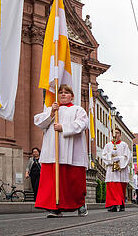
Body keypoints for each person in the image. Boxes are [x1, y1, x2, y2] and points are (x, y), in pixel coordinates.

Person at [34, 84, 89, 218]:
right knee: (54, 183)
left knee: (74, 182)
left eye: (66, 92)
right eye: (61, 92)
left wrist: (63, 127)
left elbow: (81, 125)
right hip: (53, 152)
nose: (63, 94)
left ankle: (80, 204)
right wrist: (52, 113)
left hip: (72, 152)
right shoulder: (51, 109)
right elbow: (39, 122)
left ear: (72, 96)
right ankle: (55, 207)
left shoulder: (78, 110)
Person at [103, 127, 131, 212]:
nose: (116, 135)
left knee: (121, 187)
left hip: (121, 170)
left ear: (120, 134)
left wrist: (119, 159)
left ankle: (122, 204)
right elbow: (104, 156)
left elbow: (127, 157)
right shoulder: (108, 145)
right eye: (114, 133)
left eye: (117, 133)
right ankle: (113, 205)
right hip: (111, 170)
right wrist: (111, 155)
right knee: (112, 187)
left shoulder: (124, 145)